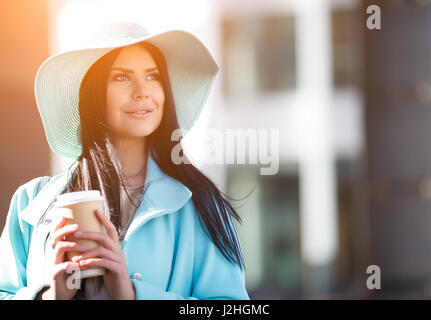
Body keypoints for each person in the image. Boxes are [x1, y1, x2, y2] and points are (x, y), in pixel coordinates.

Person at [0, 22, 249, 300]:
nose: (142, 91)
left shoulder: (200, 205)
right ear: (93, 93)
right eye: (122, 77)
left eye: (153, 76)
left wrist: (133, 295)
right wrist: (47, 296)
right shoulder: (30, 204)